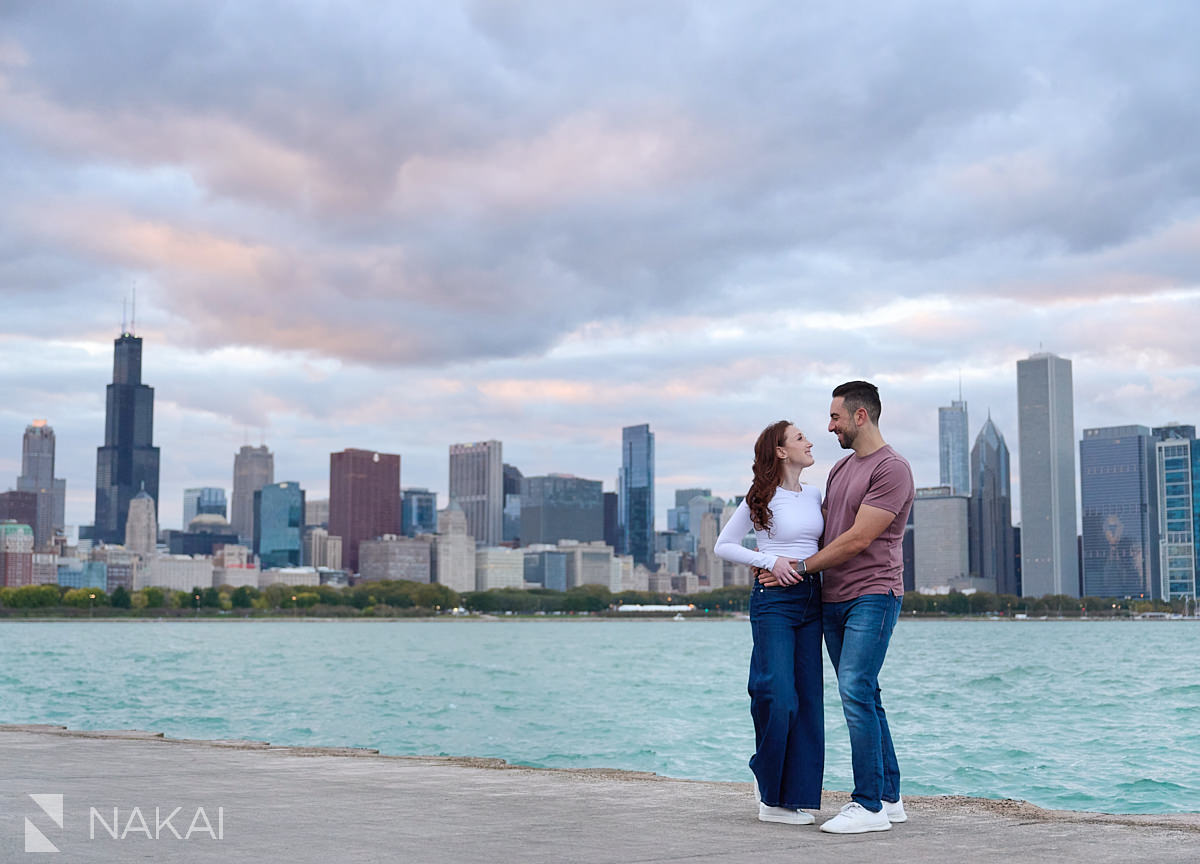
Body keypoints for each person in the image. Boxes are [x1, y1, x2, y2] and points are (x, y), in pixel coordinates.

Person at [756, 381, 914, 835]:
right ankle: (889, 796)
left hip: (874, 594)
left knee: (855, 690)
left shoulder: (892, 469)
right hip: (832, 598)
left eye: (835, 418)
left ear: (860, 416)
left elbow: (860, 538)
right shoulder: (841, 469)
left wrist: (799, 567)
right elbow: (820, 531)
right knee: (867, 693)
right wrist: (771, 561)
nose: (829, 427)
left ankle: (867, 806)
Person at [714, 420, 824, 825]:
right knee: (777, 696)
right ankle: (770, 793)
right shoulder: (761, 496)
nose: (810, 442)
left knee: (808, 702)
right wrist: (769, 561)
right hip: (773, 600)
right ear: (780, 451)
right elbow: (723, 545)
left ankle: (791, 798)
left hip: (813, 599)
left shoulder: (814, 494)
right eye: (800, 438)